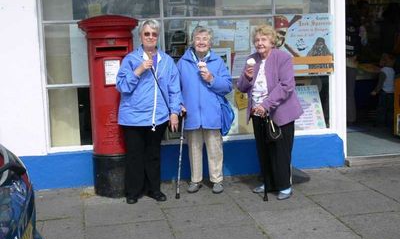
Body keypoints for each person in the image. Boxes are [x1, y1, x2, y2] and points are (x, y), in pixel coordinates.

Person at [116, 19, 182, 204]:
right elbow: (121, 86)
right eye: (147, 34)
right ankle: (133, 191)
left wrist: (174, 112)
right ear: (140, 37)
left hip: (157, 117)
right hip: (133, 118)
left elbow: (174, 88)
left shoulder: (167, 61)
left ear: (158, 37)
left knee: (153, 155)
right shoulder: (130, 60)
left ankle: (154, 189)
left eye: (154, 34)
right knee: (134, 156)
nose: (150, 37)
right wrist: (138, 70)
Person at [237, 24, 303, 200]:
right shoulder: (252, 59)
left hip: (280, 113)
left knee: (280, 151)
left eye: (263, 39)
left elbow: (287, 85)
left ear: (272, 41)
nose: (260, 43)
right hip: (258, 113)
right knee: (263, 149)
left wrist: (266, 105)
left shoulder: (283, 58)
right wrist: (247, 76)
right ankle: (268, 182)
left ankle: (284, 185)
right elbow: (241, 88)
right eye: (257, 40)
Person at [177, 26, 232, 194]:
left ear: (210, 43)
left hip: (211, 113)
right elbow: (175, 87)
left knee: (215, 148)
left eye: (205, 39)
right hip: (192, 114)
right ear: (193, 41)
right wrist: (179, 104)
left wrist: (211, 79)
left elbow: (228, 86)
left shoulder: (217, 62)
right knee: (194, 148)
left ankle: (217, 179)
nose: (201, 42)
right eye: (198, 39)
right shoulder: (183, 62)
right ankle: (196, 180)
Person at [371, 53, 395, 128]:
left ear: (383, 61)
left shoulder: (383, 71)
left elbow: (380, 83)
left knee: (381, 109)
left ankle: (380, 124)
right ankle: (389, 124)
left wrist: (375, 91)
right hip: (392, 92)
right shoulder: (392, 70)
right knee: (390, 110)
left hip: (384, 92)